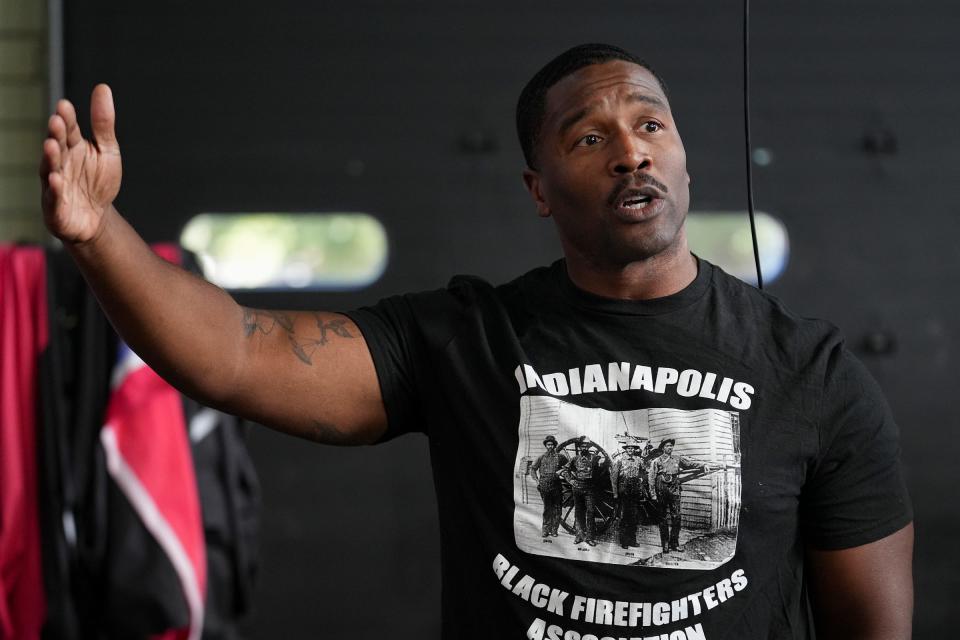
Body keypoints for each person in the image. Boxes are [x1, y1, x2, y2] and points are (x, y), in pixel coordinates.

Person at [39, 42, 913, 639]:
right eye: (589, 136)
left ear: (685, 157)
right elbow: (235, 354)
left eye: (651, 126)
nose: (630, 154)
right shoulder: (469, 340)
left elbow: (874, 627)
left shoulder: (811, 374)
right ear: (539, 188)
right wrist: (97, 233)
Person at [648, 438, 711, 553]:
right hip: (661, 490)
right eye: (667, 446)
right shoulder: (656, 461)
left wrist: (704, 464)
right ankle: (665, 544)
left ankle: (674, 543)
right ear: (663, 448)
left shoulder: (677, 458)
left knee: (676, 517)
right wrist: (653, 494)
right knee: (662, 518)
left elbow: (691, 463)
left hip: (674, 490)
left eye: (671, 446)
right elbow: (651, 478)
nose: (670, 448)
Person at [562, 437, 605, 546]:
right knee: (578, 512)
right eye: (582, 446)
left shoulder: (594, 458)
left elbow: (601, 468)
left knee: (590, 512)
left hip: (589, 488)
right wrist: (571, 480)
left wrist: (601, 462)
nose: (584, 447)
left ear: (589, 447)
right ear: (580, 447)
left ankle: (590, 538)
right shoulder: (575, 459)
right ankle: (579, 536)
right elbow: (565, 470)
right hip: (577, 488)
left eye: (586, 446)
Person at [529, 435, 568, 537]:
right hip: (544, 486)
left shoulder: (560, 457)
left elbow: (569, 466)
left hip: (557, 487)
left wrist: (562, 471)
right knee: (547, 509)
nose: (550, 446)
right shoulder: (541, 458)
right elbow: (532, 469)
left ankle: (554, 530)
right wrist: (537, 481)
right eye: (548, 445)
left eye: (552, 445)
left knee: (557, 509)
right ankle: (545, 530)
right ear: (546, 446)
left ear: (555, 445)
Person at [610, 442, 646, 549]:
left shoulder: (639, 460)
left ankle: (632, 540)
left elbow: (644, 472)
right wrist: (615, 493)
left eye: (632, 448)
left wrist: (641, 479)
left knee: (634, 516)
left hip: (634, 490)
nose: (630, 450)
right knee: (624, 516)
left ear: (634, 450)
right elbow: (614, 477)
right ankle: (624, 541)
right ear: (626, 449)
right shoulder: (620, 460)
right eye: (628, 448)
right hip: (624, 490)